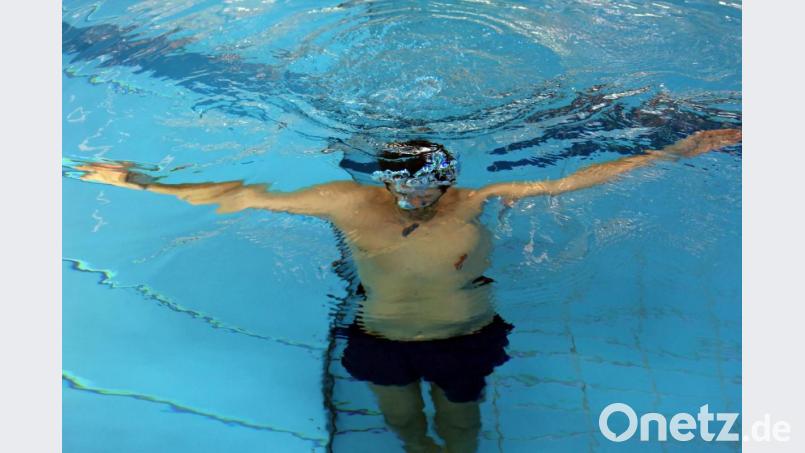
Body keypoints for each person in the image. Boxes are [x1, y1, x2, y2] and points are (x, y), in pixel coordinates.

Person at [76, 128, 741, 452]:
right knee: (401, 424)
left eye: (432, 185)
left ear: (449, 179)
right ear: (386, 180)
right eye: (408, 185)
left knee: (462, 422)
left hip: (464, 338)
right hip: (381, 338)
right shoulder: (346, 200)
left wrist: (678, 149)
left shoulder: (477, 199)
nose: (420, 198)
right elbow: (241, 194)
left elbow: (574, 181)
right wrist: (135, 181)